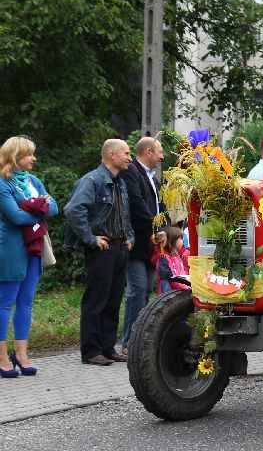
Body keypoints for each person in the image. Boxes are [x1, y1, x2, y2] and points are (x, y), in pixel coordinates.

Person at [64, 139, 134, 366]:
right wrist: (90, 238)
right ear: (112, 155)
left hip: (119, 247)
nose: (129, 157)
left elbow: (124, 213)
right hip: (102, 249)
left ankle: (107, 347)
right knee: (96, 300)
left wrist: (129, 236)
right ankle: (91, 351)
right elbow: (74, 210)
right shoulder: (92, 180)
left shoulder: (119, 182)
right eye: (126, 153)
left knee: (113, 300)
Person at [0, 136, 58, 377]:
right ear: (15, 156)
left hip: (34, 246)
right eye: (29, 154)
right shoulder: (3, 183)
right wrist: (38, 210)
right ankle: (2, 357)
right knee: (5, 302)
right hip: (11, 248)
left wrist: (36, 208)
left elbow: (54, 207)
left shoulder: (33, 180)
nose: (34, 159)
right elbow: (16, 216)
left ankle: (21, 354)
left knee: (26, 301)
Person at [121, 136, 166, 354]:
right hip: (137, 242)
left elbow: (160, 206)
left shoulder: (152, 177)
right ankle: (130, 340)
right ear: (148, 152)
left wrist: (164, 229)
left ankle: (140, 337)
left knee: (146, 289)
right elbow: (137, 205)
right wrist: (157, 227)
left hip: (152, 244)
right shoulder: (132, 172)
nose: (162, 156)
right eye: (159, 151)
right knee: (137, 289)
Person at [157, 226, 191, 294]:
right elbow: (173, 278)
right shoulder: (165, 259)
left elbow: (182, 274)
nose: (183, 241)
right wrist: (186, 287)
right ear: (172, 241)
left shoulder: (177, 257)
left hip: (179, 290)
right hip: (170, 294)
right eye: (180, 239)